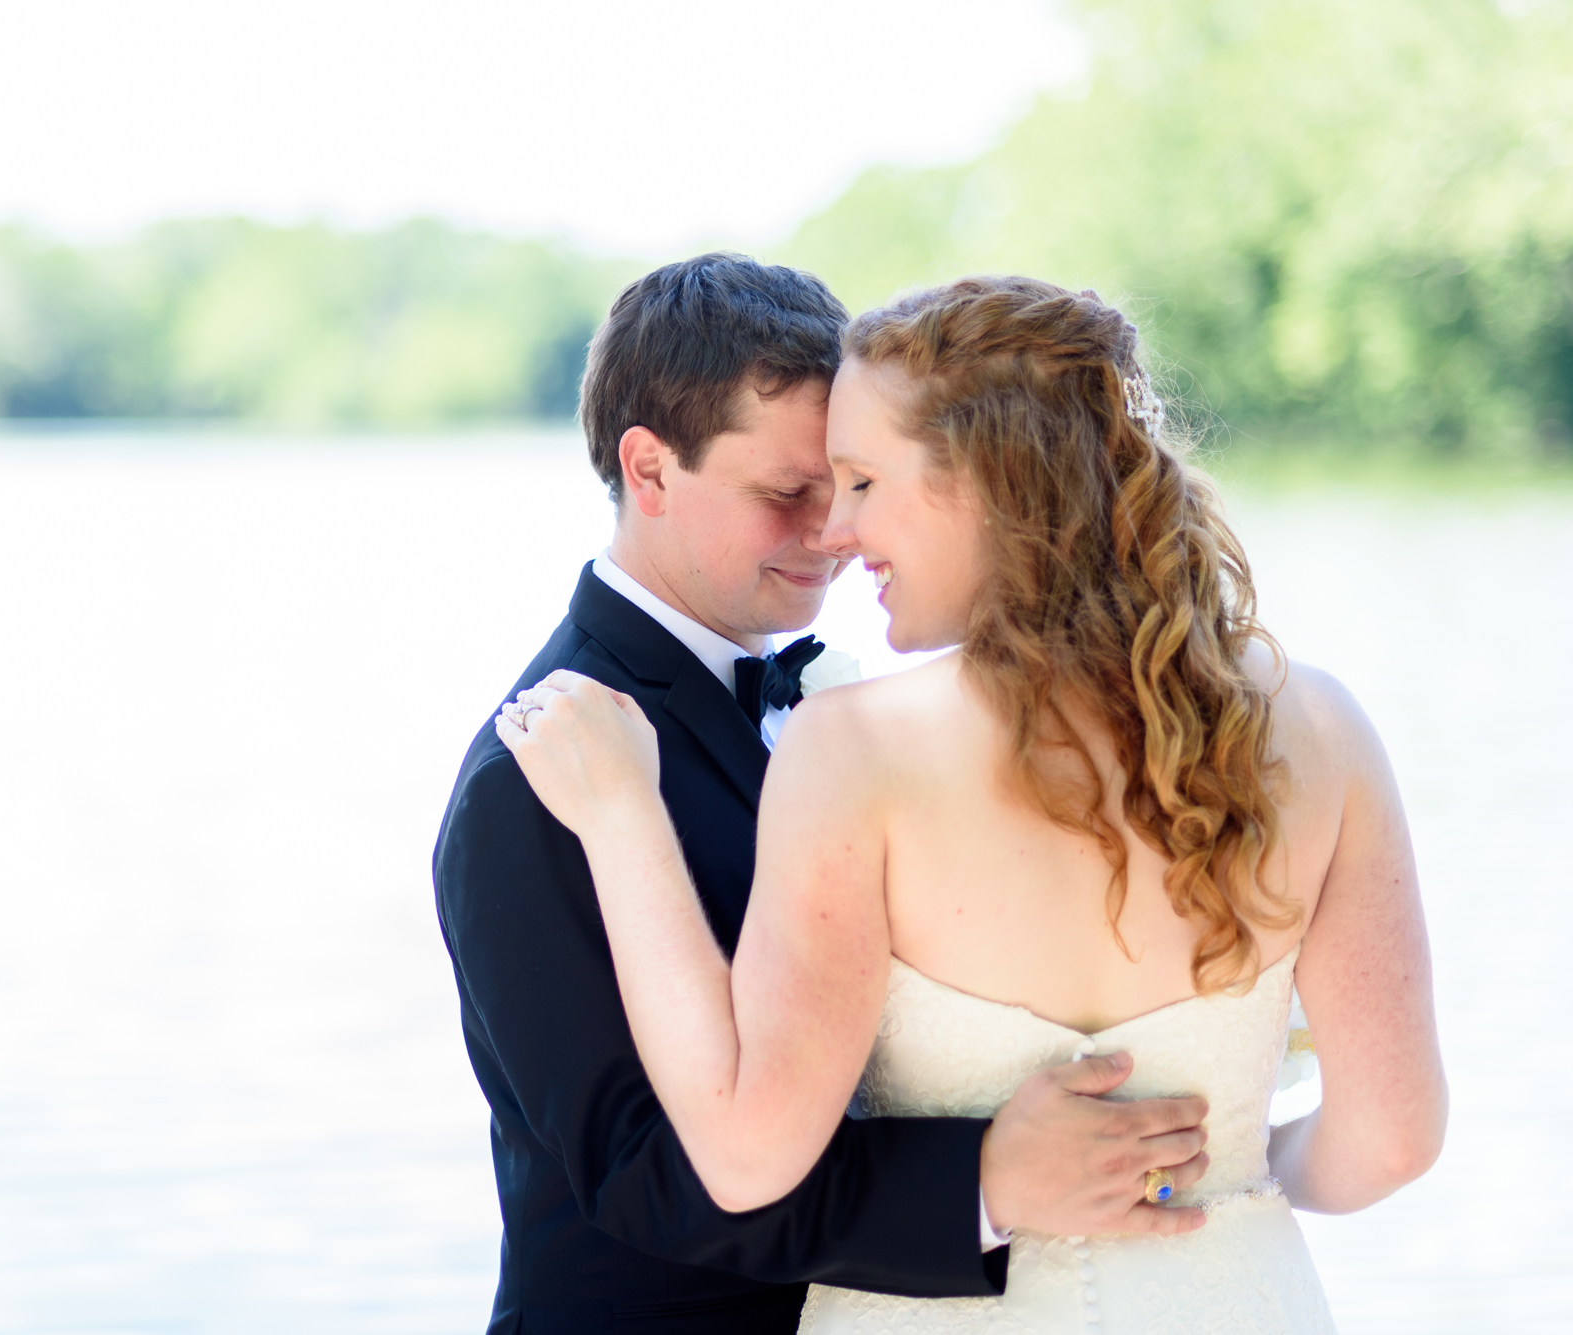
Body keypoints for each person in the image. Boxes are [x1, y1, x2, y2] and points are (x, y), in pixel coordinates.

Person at [495, 274, 1448, 1333]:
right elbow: (1390, 1140)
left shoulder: (851, 746)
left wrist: (626, 822)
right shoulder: (1322, 727)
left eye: (857, 482)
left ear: (979, 480)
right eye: (802, 489)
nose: (835, 535)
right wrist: (1213, 1160)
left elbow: (740, 1150)